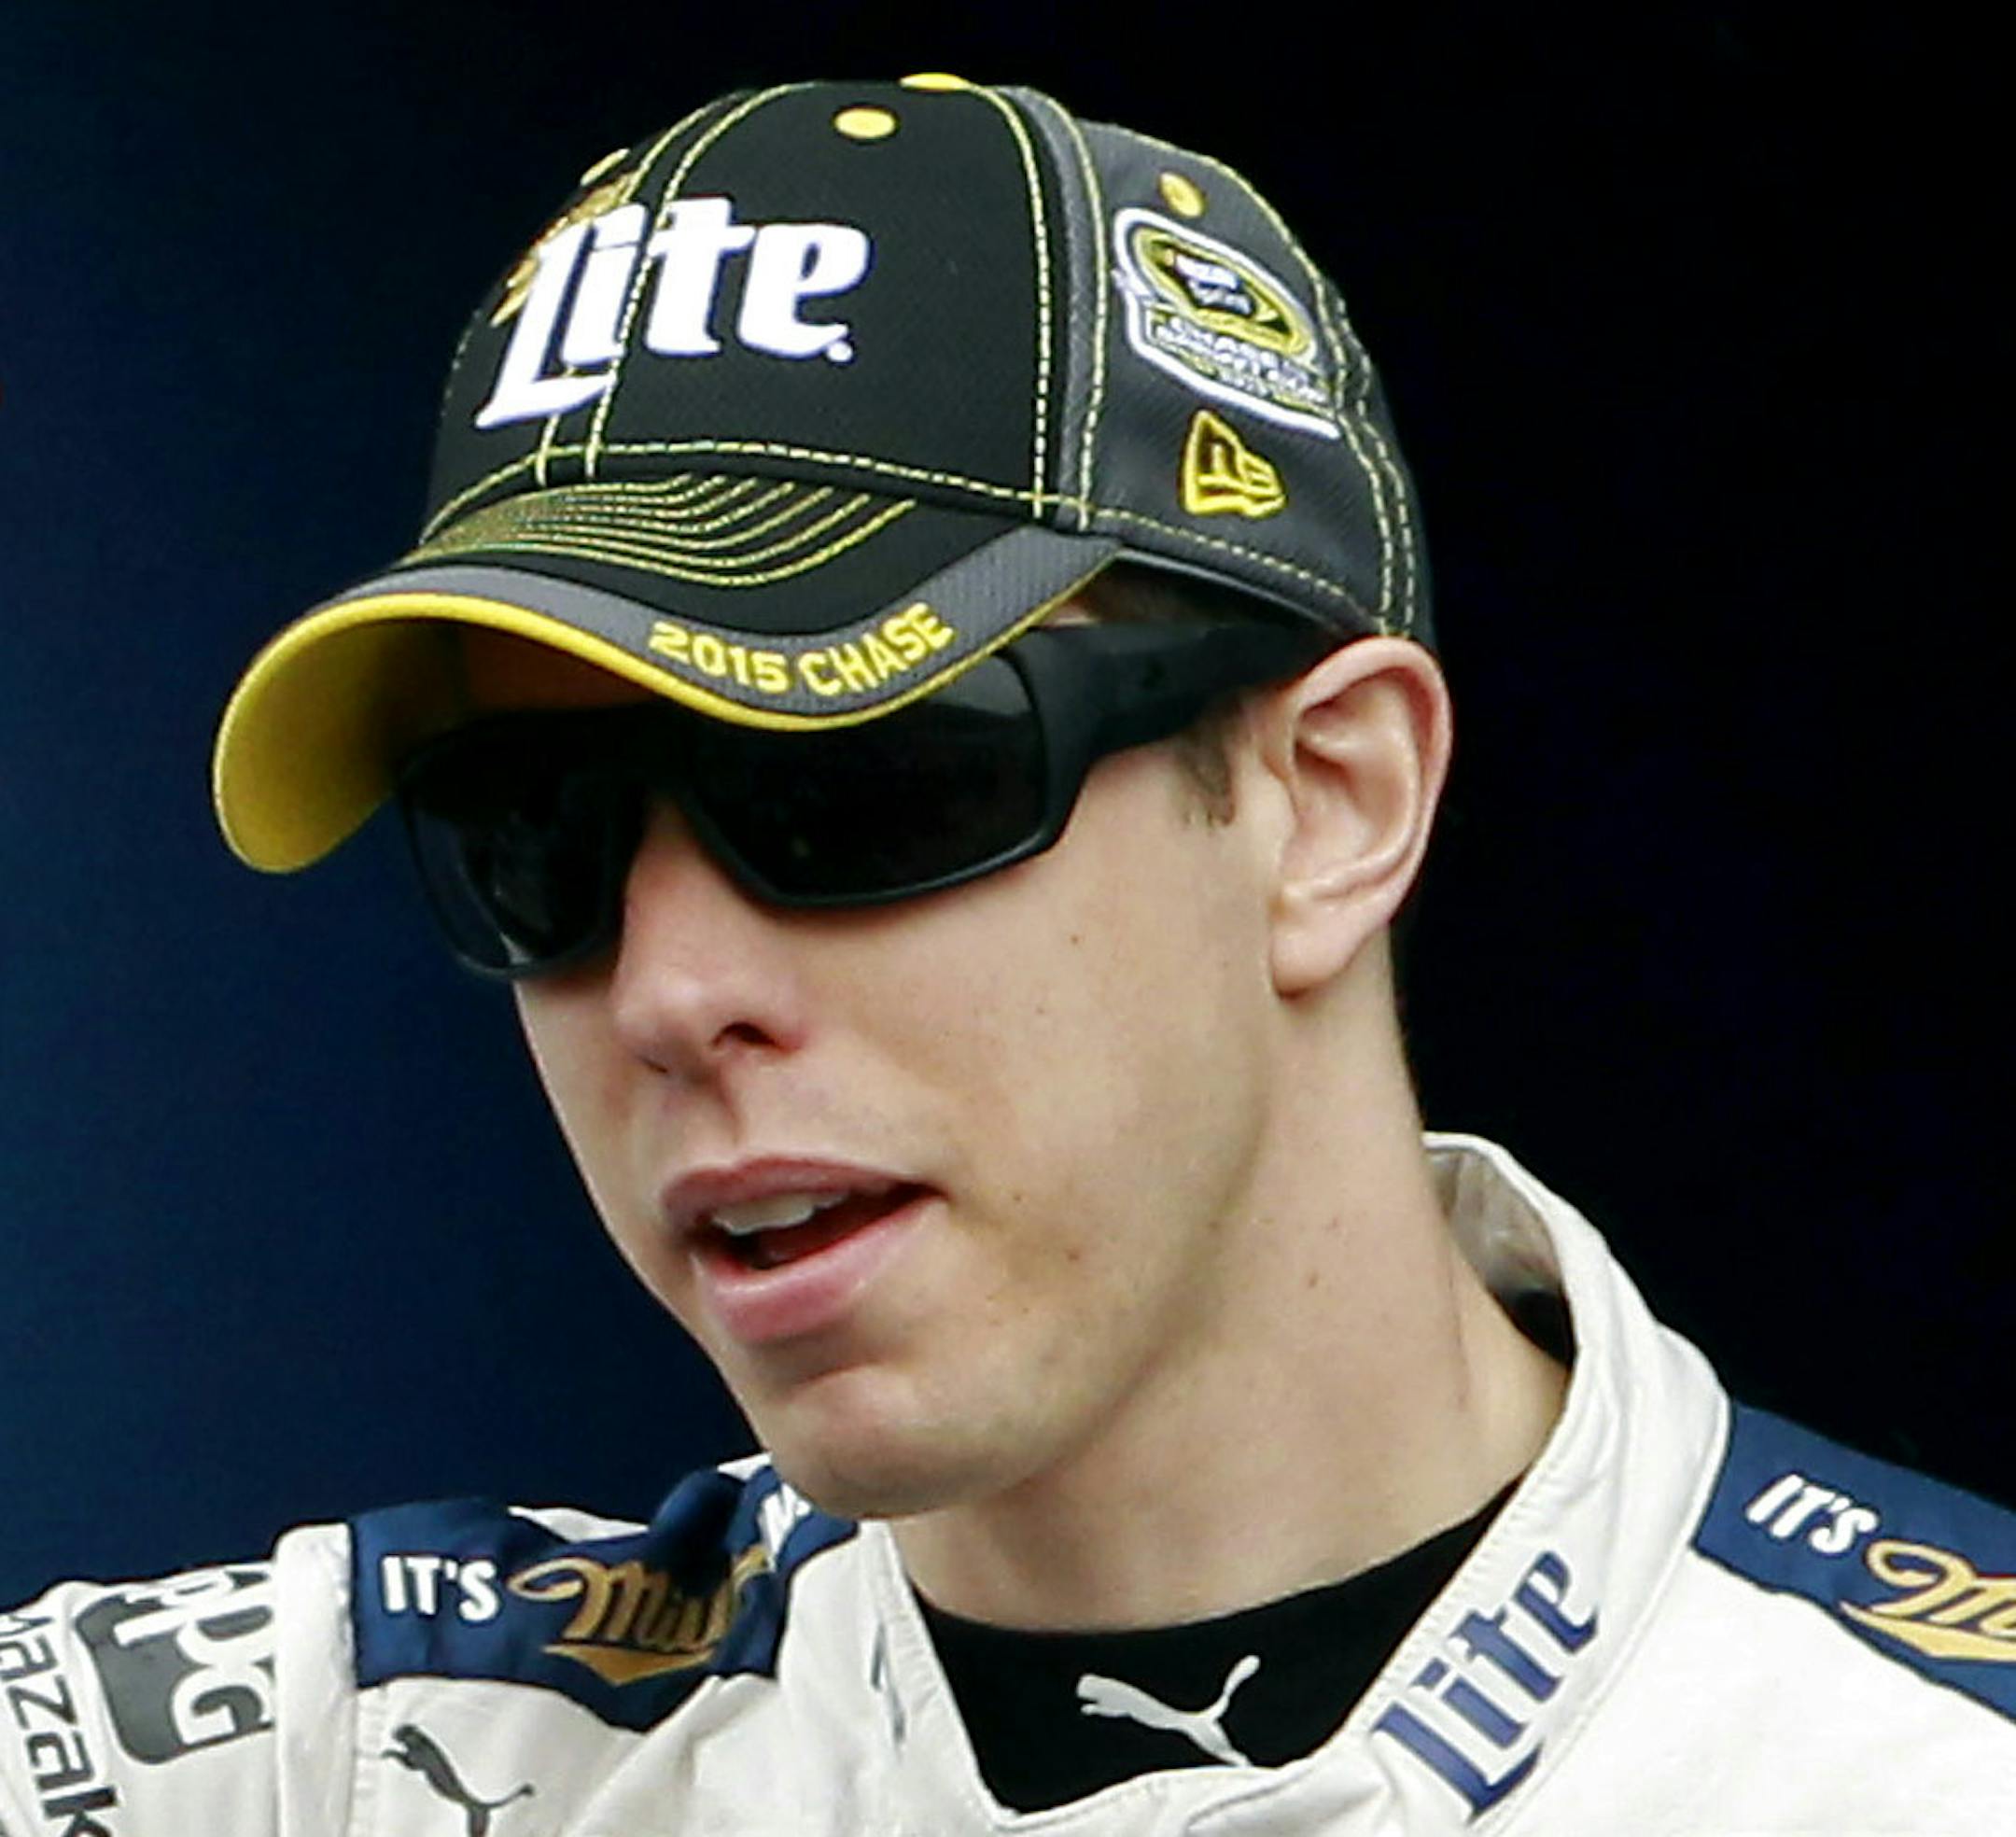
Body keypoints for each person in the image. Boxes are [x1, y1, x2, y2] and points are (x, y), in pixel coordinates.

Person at [4, 72, 2009, 1837]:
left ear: (1332, 803)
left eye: (855, 788)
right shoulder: (325, 1766)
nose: (670, 993)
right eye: (526, 836)